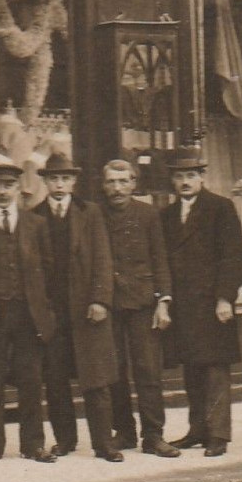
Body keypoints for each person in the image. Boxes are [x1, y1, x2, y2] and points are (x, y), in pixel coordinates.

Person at [0, 162, 57, 464]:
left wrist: (46, 311)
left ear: (18, 188)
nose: (3, 191)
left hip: (28, 314)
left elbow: (48, 269)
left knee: (31, 381)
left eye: (9, 185)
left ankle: (33, 444)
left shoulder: (36, 225)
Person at [161, 147, 242, 457]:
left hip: (212, 304)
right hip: (184, 306)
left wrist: (226, 297)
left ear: (201, 177)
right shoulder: (167, 215)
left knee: (214, 370)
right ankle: (197, 430)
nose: (185, 181)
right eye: (179, 176)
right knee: (192, 370)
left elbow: (233, 256)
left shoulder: (220, 208)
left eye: (190, 175)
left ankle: (218, 434)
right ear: (172, 180)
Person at [33, 155, 119, 462]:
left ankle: (104, 444)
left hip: (86, 311)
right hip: (53, 315)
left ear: (73, 182)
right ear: (45, 182)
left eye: (65, 178)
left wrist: (100, 299)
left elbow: (103, 259)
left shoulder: (90, 212)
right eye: (53, 179)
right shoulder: (35, 216)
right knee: (56, 382)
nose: (59, 184)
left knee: (96, 381)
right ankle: (65, 440)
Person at [99, 159, 178, 457]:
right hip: (110, 305)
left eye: (123, 181)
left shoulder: (148, 215)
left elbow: (160, 260)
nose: (117, 188)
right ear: (103, 185)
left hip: (144, 303)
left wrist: (164, 302)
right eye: (111, 182)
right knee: (115, 371)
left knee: (148, 370)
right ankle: (125, 431)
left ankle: (154, 435)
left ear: (134, 184)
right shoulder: (95, 215)